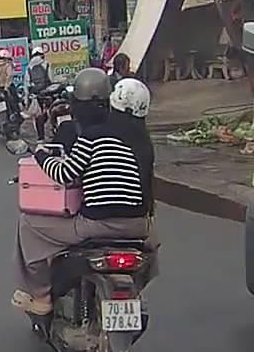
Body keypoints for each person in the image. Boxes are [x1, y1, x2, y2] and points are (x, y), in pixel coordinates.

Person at [12, 70, 156, 315]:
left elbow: (65, 173)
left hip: (98, 225)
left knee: (28, 224)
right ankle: (135, 292)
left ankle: (41, 296)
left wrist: (40, 154)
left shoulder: (93, 135)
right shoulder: (143, 142)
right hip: (139, 227)